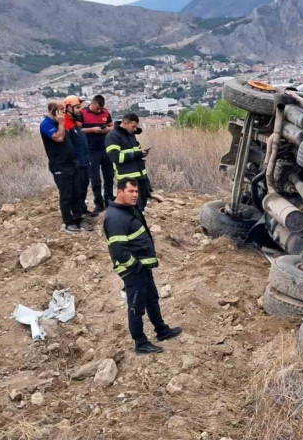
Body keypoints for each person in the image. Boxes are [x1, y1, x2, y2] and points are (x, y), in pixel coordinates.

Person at [104, 178, 181, 354]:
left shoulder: (129, 210)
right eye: (131, 191)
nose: (135, 195)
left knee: (151, 298)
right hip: (133, 270)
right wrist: (134, 266)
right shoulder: (115, 218)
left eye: (136, 192)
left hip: (142, 267)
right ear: (120, 191)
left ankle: (161, 330)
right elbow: (117, 250)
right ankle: (140, 343)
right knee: (136, 305)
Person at [40, 101, 84, 233]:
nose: (63, 112)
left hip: (71, 162)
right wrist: (61, 123)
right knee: (66, 194)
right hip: (59, 165)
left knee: (77, 191)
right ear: (53, 110)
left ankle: (78, 218)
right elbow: (58, 138)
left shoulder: (62, 122)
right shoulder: (46, 124)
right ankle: (68, 221)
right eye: (60, 110)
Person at [105, 113, 153, 211]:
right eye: (133, 126)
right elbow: (116, 158)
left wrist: (142, 154)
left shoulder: (131, 135)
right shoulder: (112, 136)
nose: (135, 129)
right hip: (127, 179)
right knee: (132, 208)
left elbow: (135, 153)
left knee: (141, 206)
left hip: (140, 176)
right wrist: (137, 154)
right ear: (125, 123)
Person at [63, 95, 96, 228]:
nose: (79, 110)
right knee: (75, 191)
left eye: (80, 107)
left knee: (83, 188)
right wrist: (74, 161)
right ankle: (77, 218)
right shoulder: (66, 124)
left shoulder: (76, 123)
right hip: (76, 164)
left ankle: (82, 210)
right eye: (77, 107)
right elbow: (68, 147)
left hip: (84, 161)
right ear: (68, 108)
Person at [79, 95, 115, 213]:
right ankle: (98, 203)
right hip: (91, 150)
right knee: (95, 178)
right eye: (98, 108)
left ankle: (109, 199)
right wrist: (92, 130)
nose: (99, 111)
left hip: (105, 148)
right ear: (93, 104)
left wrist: (106, 130)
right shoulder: (83, 113)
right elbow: (78, 130)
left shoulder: (105, 113)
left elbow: (112, 126)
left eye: (101, 109)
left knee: (109, 175)